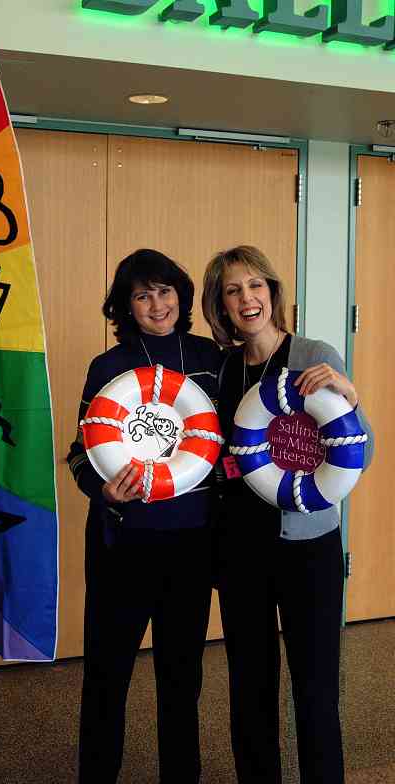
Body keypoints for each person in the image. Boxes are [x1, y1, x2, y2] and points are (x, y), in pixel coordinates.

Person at [201, 245, 374, 784]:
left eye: (255, 285)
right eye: (233, 290)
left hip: (308, 547)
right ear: (221, 306)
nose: (246, 298)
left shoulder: (314, 355)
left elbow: (357, 451)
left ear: (273, 293)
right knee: (250, 688)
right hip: (240, 552)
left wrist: (348, 392)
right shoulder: (224, 372)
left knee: (317, 690)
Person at [67, 248, 222, 784]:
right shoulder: (107, 368)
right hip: (123, 548)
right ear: (125, 307)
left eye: (165, 291)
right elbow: (78, 455)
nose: (157, 303)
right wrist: (104, 492)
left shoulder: (211, 358)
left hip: (191, 546)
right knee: (106, 678)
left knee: (183, 679)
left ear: (181, 296)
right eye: (142, 294)